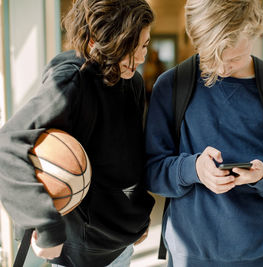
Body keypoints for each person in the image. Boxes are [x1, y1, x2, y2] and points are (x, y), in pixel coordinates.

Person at [145, 0, 263, 266]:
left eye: (234, 58)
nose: (222, 69)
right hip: (191, 256)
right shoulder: (172, 87)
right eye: (211, 57)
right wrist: (194, 169)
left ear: (255, 31)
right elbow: (151, 171)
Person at [0, 0, 155, 266]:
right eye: (132, 47)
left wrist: (138, 216)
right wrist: (46, 226)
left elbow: (131, 159)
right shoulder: (71, 81)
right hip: (79, 252)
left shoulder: (134, 83)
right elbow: (7, 146)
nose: (141, 58)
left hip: (122, 246)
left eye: (144, 45)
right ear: (104, 39)